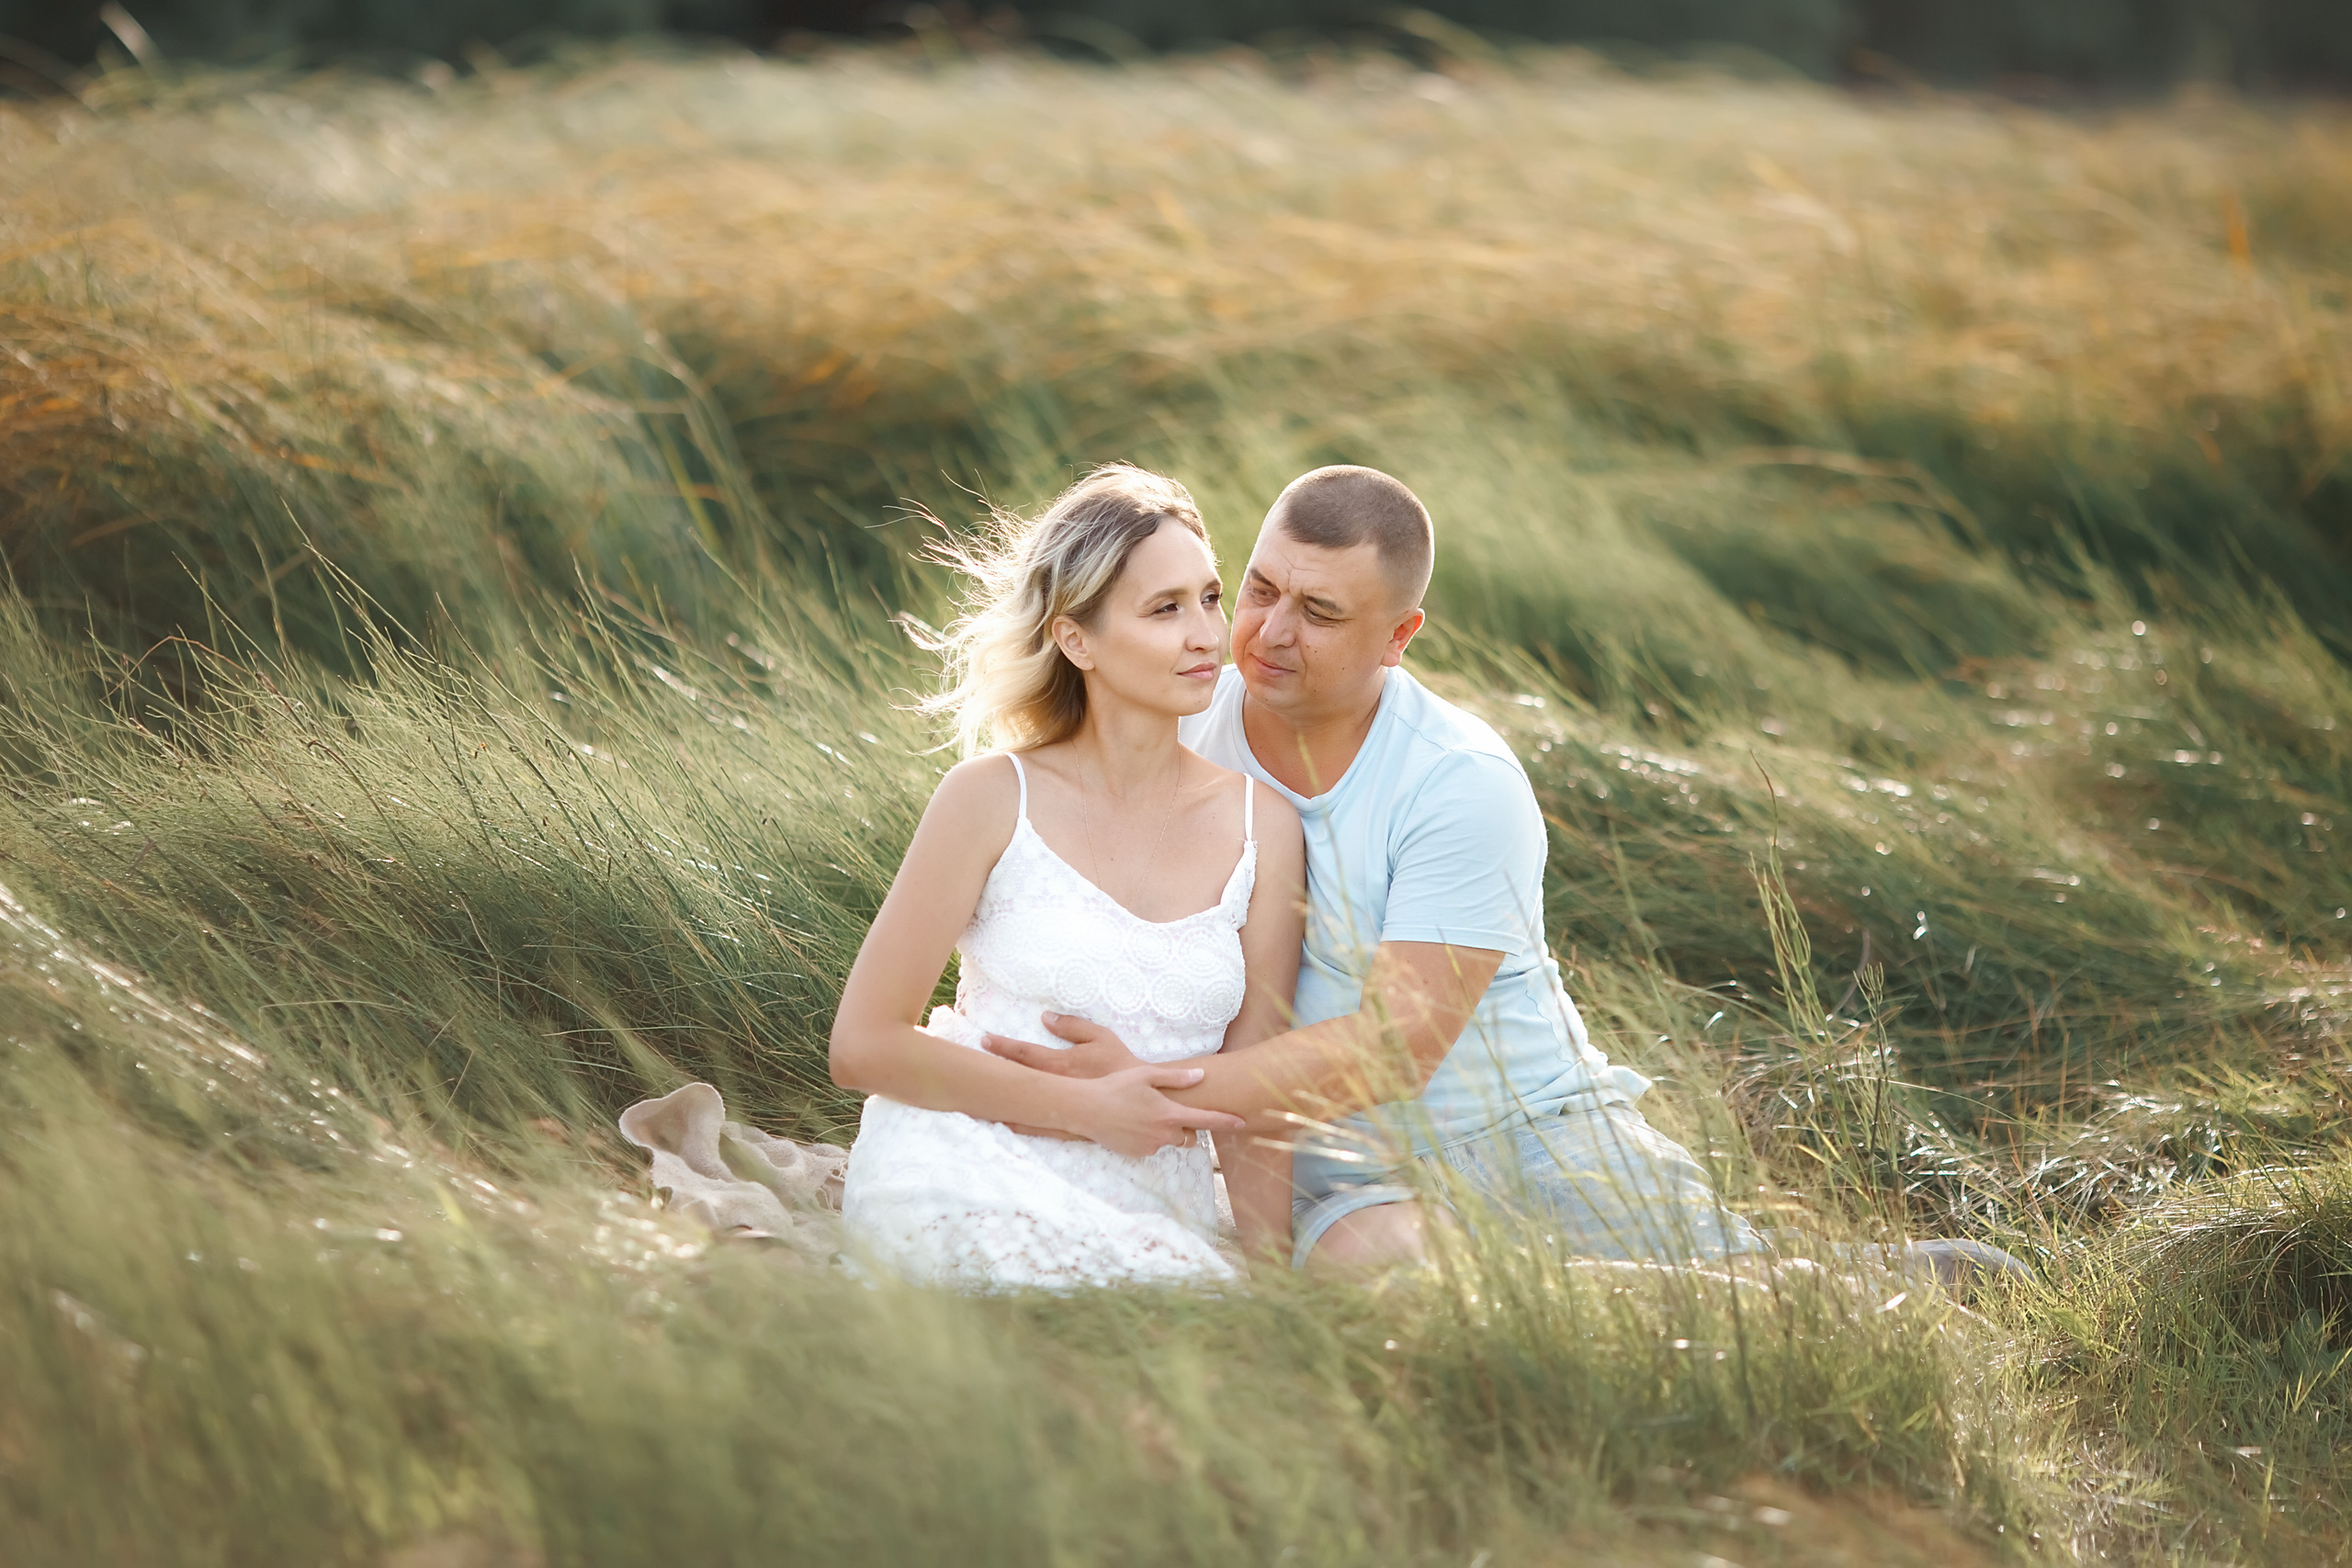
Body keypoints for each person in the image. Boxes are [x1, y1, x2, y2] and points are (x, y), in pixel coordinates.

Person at [987, 465, 1767, 1274]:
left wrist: (1144, 1089)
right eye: (1259, 590)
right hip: (1336, 1179)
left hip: (1532, 1137)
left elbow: (1395, 1048)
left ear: (1399, 637)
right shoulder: (1173, 725)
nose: (1270, 633)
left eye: (1319, 612)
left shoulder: (1459, 780)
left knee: (1753, 1295)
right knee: (1424, 1289)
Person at [828, 464, 1307, 1290]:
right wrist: (1086, 1109)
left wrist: (1274, 1277)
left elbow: (1253, 1086)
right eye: (1165, 608)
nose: (1206, 634)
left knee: (1181, 1297)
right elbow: (863, 1044)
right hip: (967, 1158)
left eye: (1209, 597)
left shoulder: (1263, 824)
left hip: (1159, 1195)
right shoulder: (989, 798)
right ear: (1076, 639)